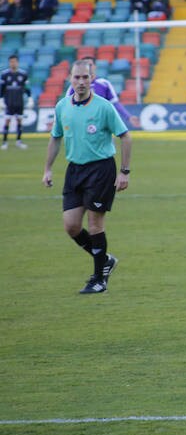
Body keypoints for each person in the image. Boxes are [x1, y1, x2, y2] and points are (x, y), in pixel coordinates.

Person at [42, 60, 132, 294]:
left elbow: (125, 136)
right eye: (77, 77)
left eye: (85, 77)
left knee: (94, 225)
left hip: (101, 170)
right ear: (70, 79)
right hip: (75, 171)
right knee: (71, 226)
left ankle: (99, 280)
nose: (81, 82)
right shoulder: (62, 106)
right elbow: (55, 137)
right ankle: (106, 261)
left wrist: (124, 172)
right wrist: (48, 169)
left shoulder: (103, 107)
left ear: (92, 79)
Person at [65, 58, 141, 128]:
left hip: (103, 125)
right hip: (82, 125)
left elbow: (114, 103)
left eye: (90, 65)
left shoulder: (104, 84)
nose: (88, 67)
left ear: (95, 67)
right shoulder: (74, 86)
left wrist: (128, 117)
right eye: (86, 65)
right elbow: (66, 106)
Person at [1, 55, 31, 150]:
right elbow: (1, 89)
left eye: (14, 61)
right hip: (9, 102)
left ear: (17, 62)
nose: (13, 63)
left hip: (19, 102)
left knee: (19, 121)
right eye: (11, 62)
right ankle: (5, 142)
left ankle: (19, 141)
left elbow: (27, 88)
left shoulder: (23, 74)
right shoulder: (4, 74)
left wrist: (30, 98)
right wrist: (1, 99)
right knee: (7, 121)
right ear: (9, 63)